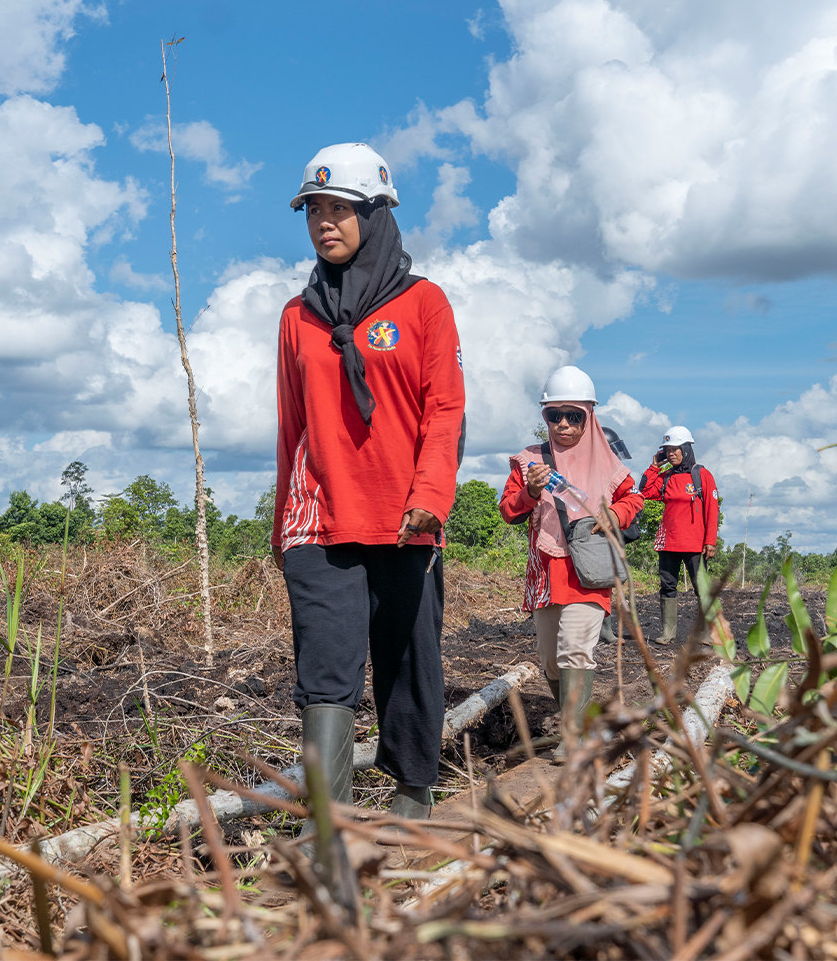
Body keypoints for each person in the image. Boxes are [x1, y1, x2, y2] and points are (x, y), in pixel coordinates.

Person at [271, 142, 466, 822]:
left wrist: (429, 499)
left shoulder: (423, 305)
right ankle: (332, 821)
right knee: (325, 669)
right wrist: (281, 528)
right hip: (319, 518)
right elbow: (291, 426)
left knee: (408, 658)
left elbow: (445, 411)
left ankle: (414, 798)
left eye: (341, 209)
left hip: (405, 516)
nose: (325, 222)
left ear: (377, 213)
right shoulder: (298, 317)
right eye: (314, 211)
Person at [499, 366, 643, 754]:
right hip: (546, 572)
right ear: (544, 416)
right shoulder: (529, 460)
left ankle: (574, 736)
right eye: (555, 415)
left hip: (588, 571)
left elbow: (634, 498)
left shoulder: (608, 460)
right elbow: (508, 510)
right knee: (550, 660)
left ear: (589, 416)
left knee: (575, 648)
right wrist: (530, 491)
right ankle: (576, 721)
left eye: (574, 416)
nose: (564, 424)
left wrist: (615, 514)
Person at [640, 426, 719, 645]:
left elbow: (712, 510)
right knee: (667, 586)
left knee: (701, 587)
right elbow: (646, 492)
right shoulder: (665, 477)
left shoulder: (701, 475)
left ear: (685, 449)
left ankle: (706, 634)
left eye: (675, 449)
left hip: (695, 543)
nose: (671, 454)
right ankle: (668, 632)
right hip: (668, 542)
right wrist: (654, 466)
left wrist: (710, 542)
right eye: (667, 450)